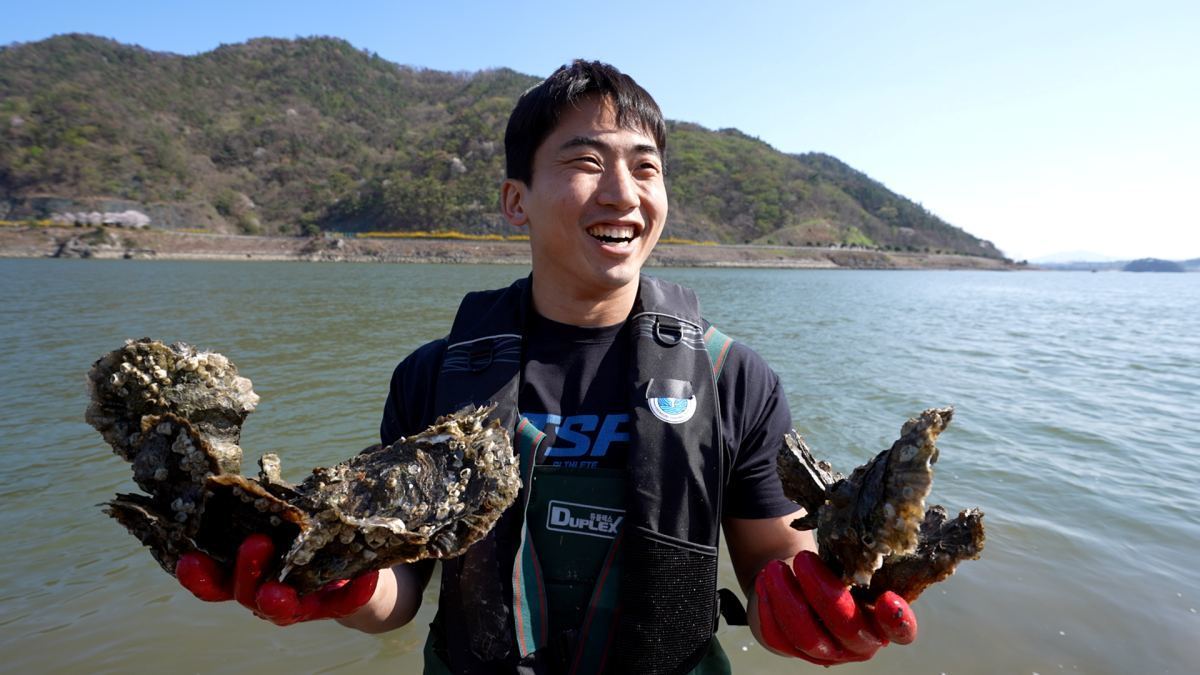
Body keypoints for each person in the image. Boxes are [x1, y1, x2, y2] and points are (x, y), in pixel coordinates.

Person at [177, 60, 915, 674]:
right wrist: (345, 584)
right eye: (587, 161)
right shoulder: (432, 378)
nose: (623, 193)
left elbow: (774, 560)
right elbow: (401, 584)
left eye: (645, 168)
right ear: (515, 200)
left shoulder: (733, 378)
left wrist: (815, 605)